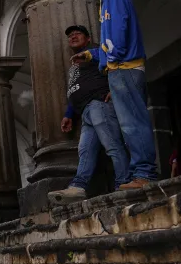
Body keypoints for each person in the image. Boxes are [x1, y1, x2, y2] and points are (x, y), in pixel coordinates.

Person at [72, 0, 158, 189]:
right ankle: (140, 172)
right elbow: (111, 37)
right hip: (123, 66)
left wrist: (113, 58)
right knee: (130, 123)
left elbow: (118, 30)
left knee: (132, 123)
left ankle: (145, 174)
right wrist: (92, 56)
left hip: (124, 67)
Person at [49, 25, 130, 205]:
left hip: (99, 104)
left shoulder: (94, 53)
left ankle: (124, 182)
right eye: (70, 35)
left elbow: (115, 62)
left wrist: (114, 89)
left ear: (87, 38)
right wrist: (69, 114)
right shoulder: (74, 65)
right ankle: (78, 187)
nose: (73, 36)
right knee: (85, 150)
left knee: (112, 145)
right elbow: (75, 89)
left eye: (77, 34)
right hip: (84, 111)